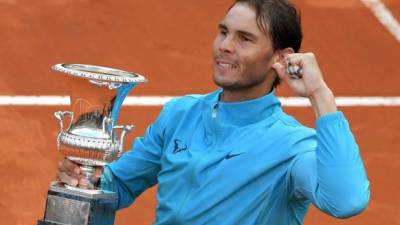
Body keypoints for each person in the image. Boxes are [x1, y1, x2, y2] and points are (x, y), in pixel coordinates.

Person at [57, 0, 370, 224]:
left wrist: (320, 94)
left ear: (282, 58)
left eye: (244, 39)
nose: (225, 45)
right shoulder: (180, 114)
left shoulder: (292, 148)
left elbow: (346, 201)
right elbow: (120, 185)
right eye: (224, 32)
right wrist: (87, 180)